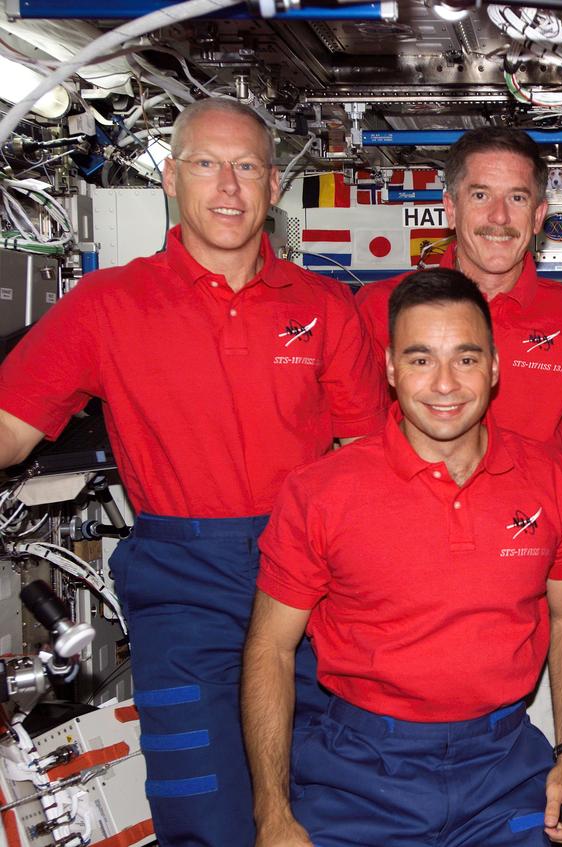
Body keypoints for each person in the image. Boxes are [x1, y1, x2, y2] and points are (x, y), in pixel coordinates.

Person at [0, 97, 386, 845]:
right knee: (202, 801)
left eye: (246, 167)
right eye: (207, 165)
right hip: (182, 584)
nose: (229, 188)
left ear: (273, 186)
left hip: (312, 577)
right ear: (172, 178)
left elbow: (368, 456)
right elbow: (10, 427)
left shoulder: (325, 306)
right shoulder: (107, 305)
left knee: (323, 801)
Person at [243, 268, 562, 847]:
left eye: (465, 358)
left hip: (504, 765)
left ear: (496, 367)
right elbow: (270, 649)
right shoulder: (321, 491)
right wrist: (273, 814)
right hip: (360, 772)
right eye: (419, 359)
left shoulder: (549, 477)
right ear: (389, 370)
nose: (445, 383)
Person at [354, 127, 562, 491]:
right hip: (411, 531)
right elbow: (355, 443)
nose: (498, 217)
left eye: (517, 198)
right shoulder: (379, 309)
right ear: (451, 208)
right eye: (481, 195)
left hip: (535, 537)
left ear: (537, 216)